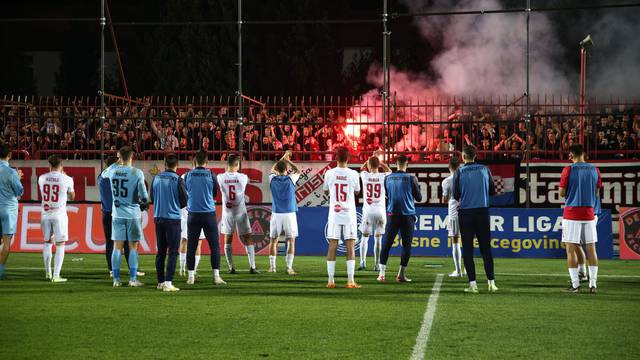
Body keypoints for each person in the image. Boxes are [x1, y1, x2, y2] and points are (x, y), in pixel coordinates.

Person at [100, 146, 149, 287]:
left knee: (117, 247)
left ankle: (116, 280)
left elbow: (103, 174)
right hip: (133, 215)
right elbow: (144, 197)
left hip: (117, 214)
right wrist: (142, 202)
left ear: (119, 157)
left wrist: (117, 162)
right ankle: (133, 279)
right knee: (133, 247)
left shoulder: (113, 170)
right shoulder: (137, 173)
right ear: (132, 157)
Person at [453, 145, 498, 293]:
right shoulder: (485, 169)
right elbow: (492, 190)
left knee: (467, 249)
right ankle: (491, 283)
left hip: (466, 213)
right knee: (486, 248)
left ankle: (473, 285)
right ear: (475, 156)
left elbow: (455, 195)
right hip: (482, 211)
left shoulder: (459, 171)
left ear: (463, 157)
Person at [559, 144, 601, 293]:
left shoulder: (568, 169)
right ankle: (593, 285)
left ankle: (575, 285)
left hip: (572, 214)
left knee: (570, 249)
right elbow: (596, 191)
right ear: (584, 153)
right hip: (589, 213)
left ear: (571, 155)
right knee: (592, 249)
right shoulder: (595, 170)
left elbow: (562, 193)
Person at [378, 154, 422, 283]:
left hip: (392, 214)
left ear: (395, 164)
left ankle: (381, 274)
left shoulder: (388, 178)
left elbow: (387, 195)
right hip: (407, 215)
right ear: (406, 164)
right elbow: (419, 198)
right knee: (406, 245)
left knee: (387, 243)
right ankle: (401, 274)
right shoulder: (411, 178)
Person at [184, 150, 225, 285]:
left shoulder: (188, 175)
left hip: (193, 214)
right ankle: (216, 276)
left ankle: (190, 277)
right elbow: (214, 193)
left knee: (191, 245)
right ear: (206, 162)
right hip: (208, 214)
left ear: (194, 162)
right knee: (214, 246)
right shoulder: (211, 175)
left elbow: (186, 191)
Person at [323, 146, 361, 288]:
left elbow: (326, 191)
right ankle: (350, 281)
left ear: (335, 158)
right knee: (350, 246)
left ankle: (330, 281)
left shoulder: (329, 173)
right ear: (348, 158)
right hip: (349, 214)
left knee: (332, 245)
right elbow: (357, 191)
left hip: (334, 213)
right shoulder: (354, 174)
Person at [151, 153, 187, 292]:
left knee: (161, 252)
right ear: (176, 165)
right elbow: (184, 201)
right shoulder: (178, 180)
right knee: (172, 252)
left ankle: (160, 281)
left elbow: (152, 197)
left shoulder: (156, 178)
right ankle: (168, 282)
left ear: (165, 164)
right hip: (172, 219)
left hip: (158, 217)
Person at [218, 154, 259, 274]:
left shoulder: (220, 177)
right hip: (241, 212)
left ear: (227, 165)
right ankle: (252, 267)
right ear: (237, 165)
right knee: (248, 238)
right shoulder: (243, 177)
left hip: (227, 213)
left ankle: (231, 268)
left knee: (227, 239)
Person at [38, 155, 75, 282]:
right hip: (59, 215)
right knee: (60, 244)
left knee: (47, 243)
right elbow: (72, 197)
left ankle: (47, 273)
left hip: (45, 214)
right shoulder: (67, 179)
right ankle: (56, 275)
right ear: (61, 165)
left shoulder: (41, 178)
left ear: (49, 165)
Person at [268, 150, 301, 274]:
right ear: (286, 169)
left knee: (273, 240)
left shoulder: (272, 178)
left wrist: (282, 159)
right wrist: (288, 160)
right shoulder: (291, 178)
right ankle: (289, 268)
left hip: (276, 213)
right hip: (289, 213)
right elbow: (298, 170)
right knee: (291, 240)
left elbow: (272, 169)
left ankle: (272, 267)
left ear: (277, 170)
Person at [358, 153, 391, 271]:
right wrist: (380, 162)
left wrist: (368, 160)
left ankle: (362, 262)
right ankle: (377, 265)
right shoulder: (383, 176)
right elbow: (389, 170)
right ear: (378, 165)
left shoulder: (365, 175)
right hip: (380, 210)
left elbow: (361, 168)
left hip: (368, 210)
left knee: (364, 237)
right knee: (378, 239)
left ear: (369, 165)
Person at [0, 144, 24, 279]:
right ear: (9, 155)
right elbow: (19, 191)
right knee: (7, 242)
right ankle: (0, 272)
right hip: (8, 209)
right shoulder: (11, 172)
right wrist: (18, 178)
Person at [441, 156, 465, 277]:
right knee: (466, 242)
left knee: (455, 241)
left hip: (454, 213)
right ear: (459, 166)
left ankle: (459, 271)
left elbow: (445, 199)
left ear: (449, 167)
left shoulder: (446, 181)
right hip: (466, 212)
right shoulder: (465, 179)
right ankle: (466, 270)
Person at [178, 191, 205, 277]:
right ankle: (194, 270)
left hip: (185, 215)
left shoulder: (182, 178)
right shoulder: (202, 179)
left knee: (184, 241)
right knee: (197, 242)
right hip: (197, 214)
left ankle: (182, 269)